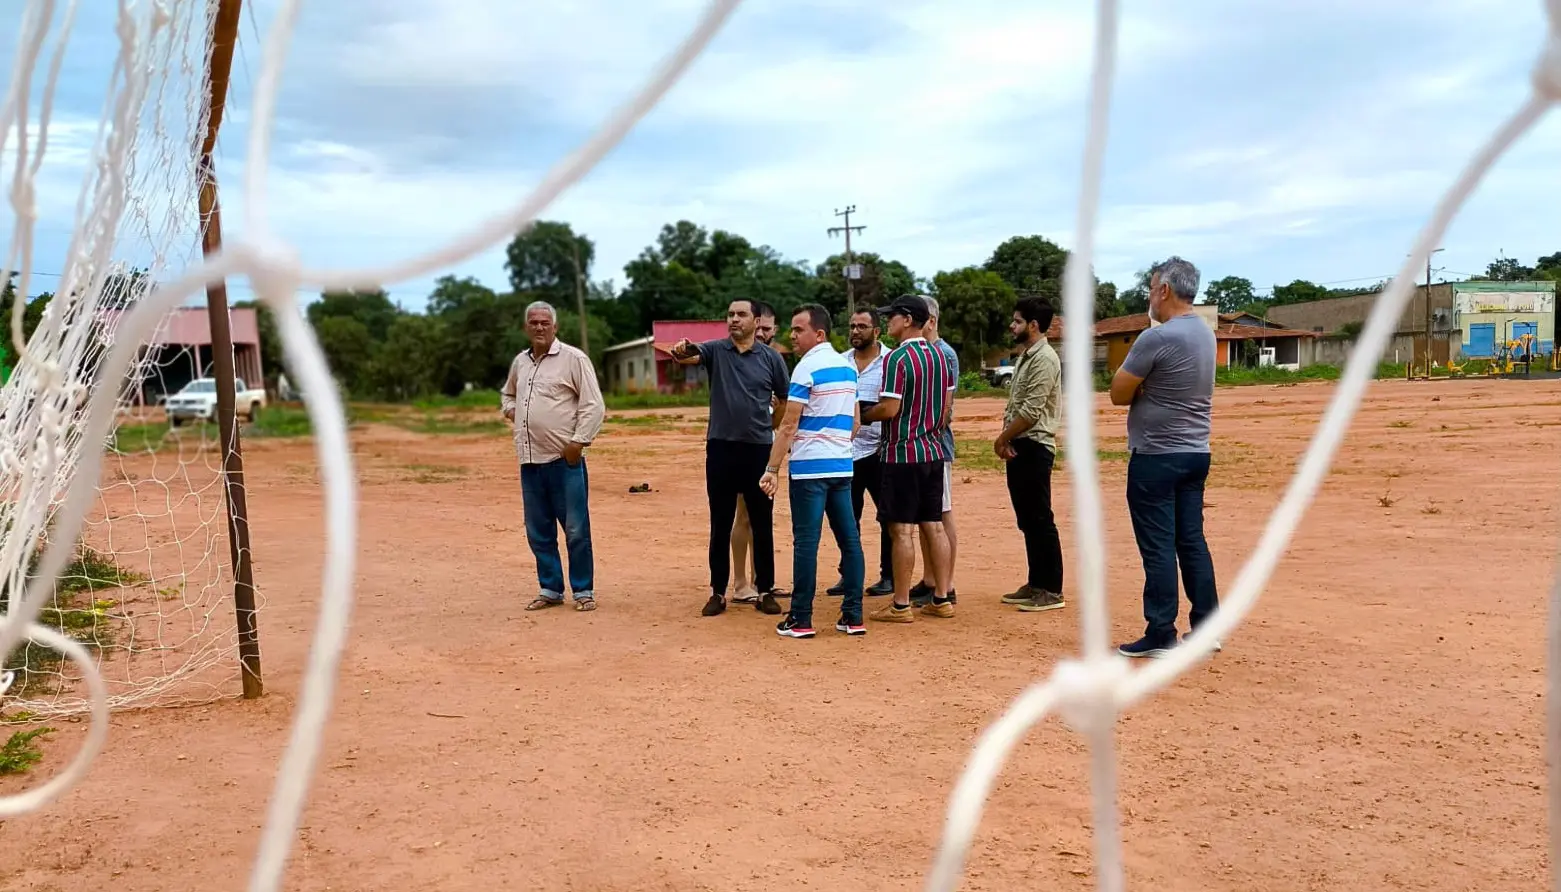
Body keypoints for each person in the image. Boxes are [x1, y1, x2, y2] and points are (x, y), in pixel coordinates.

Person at [1109, 256, 1220, 658]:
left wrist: (1144, 390)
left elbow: (1119, 392)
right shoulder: (1205, 334)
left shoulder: (1156, 338)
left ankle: (1160, 632)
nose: (1149, 296)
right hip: (1196, 451)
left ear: (1165, 290)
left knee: (1157, 545)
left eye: (1151, 287)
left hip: (1156, 454)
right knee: (1191, 540)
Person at [669, 300, 791, 617]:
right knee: (720, 523)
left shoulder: (771, 358)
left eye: (741, 315)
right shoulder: (716, 351)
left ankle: (765, 590)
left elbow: (785, 398)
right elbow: (688, 354)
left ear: (756, 321)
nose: (734, 320)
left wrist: (772, 425)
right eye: (730, 315)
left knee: (762, 523)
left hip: (758, 449)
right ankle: (718, 592)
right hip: (721, 448)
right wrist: (681, 349)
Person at [760, 305, 865, 638]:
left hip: (808, 470)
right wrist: (835, 446)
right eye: (791, 329)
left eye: (798, 329)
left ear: (818, 334)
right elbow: (856, 422)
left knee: (806, 543)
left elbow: (789, 424)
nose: (792, 335)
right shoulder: (849, 369)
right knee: (850, 541)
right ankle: (853, 616)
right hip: (841, 466)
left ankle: (801, 618)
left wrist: (772, 468)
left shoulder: (806, 368)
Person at [500, 301, 606, 612]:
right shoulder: (521, 363)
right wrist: (512, 410)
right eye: (533, 322)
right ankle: (550, 588)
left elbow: (594, 405)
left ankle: (583, 590)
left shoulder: (573, 359)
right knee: (538, 530)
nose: (539, 327)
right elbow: (507, 394)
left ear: (555, 327)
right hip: (530, 462)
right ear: (526, 327)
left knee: (575, 529)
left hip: (564, 462)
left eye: (545, 322)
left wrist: (578, 442)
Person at [862, 295, 956, 623]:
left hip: (902, 452)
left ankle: (900, 604)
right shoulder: (940, 356)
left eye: (892, 317)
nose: (888, 323)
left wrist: (865, 414)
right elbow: (945, 410)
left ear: (906, 319)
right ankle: (942, 598)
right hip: (933, 451)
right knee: (933, 525)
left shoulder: (898, 358)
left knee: (901, 530)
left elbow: (890, 408)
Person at [992, 297, 1065, 613]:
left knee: (1039, 518)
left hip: (1035, 446)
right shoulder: (1026, 356)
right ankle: (1036, 583)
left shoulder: (1044, 359)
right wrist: (1009, 438)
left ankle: (1051, 589)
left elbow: (1031, 412)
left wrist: (1002, 437)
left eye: (1017, 320)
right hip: (1021, 445)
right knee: (1028, 519)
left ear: (1033, 325)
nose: (1012, 325)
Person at [827, 308, 895, 598]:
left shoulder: (892, 361)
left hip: (881, 452)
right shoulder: (840, 362)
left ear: (877, 331)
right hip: (848, 452)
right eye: (852, 326)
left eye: (863, 326)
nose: (855, 331)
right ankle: (848, 574)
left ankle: (889, 576)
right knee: (846, 518)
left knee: (888, 516)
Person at [907, 296, 959, 605]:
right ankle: (930, 579)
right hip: (923, 447)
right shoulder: (921, 353)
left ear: (931, 320)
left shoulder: (944, 354)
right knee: (927, 514)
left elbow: (945, 408)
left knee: (942, 513)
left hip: (936, 446)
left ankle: (946, 583)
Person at [729, 302, 780, 603]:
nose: (760, 333)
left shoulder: (772, 362)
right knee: (743, 515)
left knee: (761, 518)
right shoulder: (736, 359)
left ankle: (762, 581)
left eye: (766, 329)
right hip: (742, 447)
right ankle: (739, 582)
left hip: (767, 447)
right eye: (757, 328)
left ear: (773, 330)